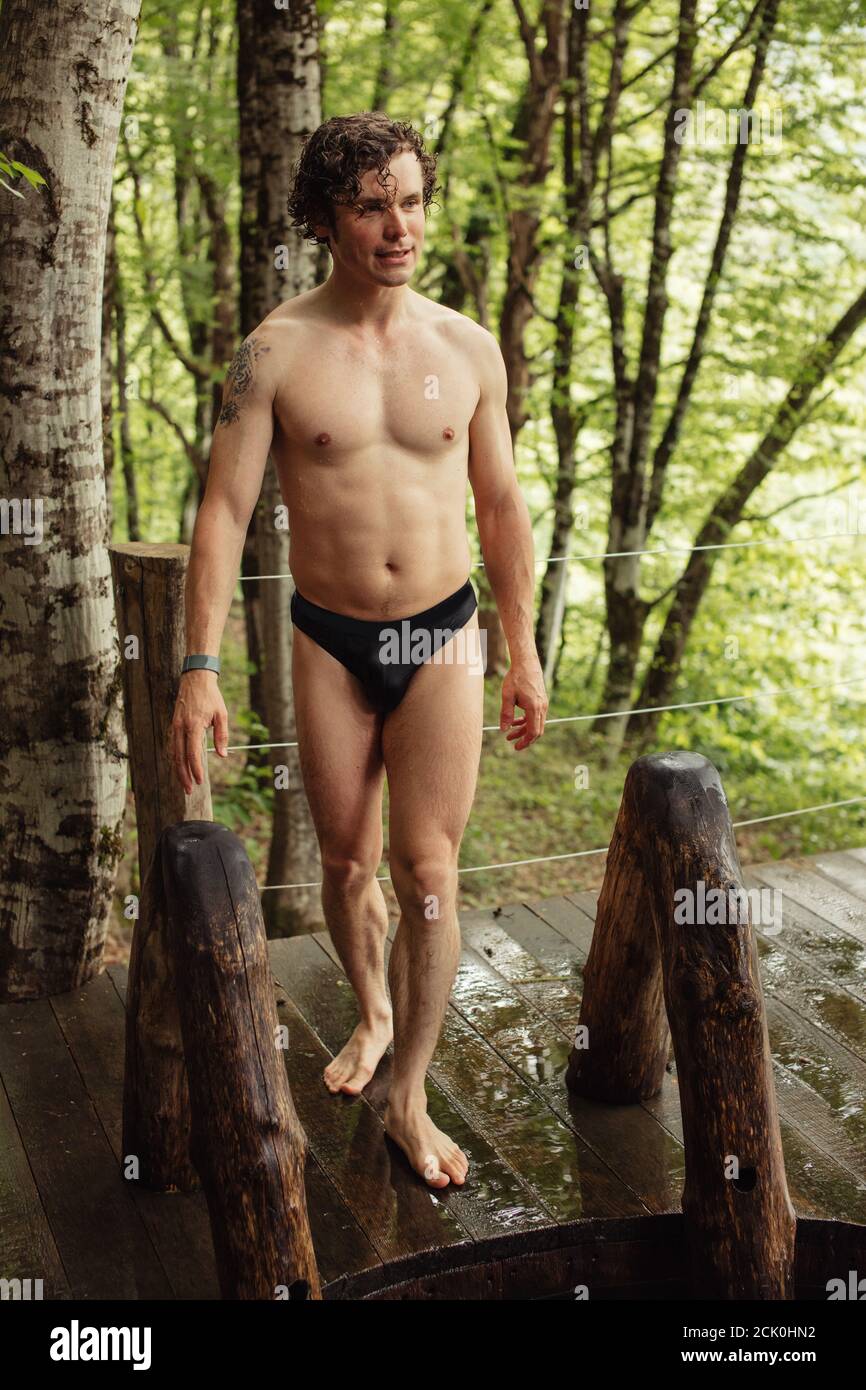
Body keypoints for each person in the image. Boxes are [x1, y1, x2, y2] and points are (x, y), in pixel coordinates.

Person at [170, 112, 548, 1189]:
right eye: (372, 204)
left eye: (411, 200)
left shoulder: (465, 348)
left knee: (427, 870)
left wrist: (518, 650)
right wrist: (197, 668)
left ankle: (407, 1089)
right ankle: (374, 1013)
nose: (398, 225)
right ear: (328, 218)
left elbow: (501, 502)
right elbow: (222, 512)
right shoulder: (274, 351)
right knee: (346, 861)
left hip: (442, 631)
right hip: (328, 638)